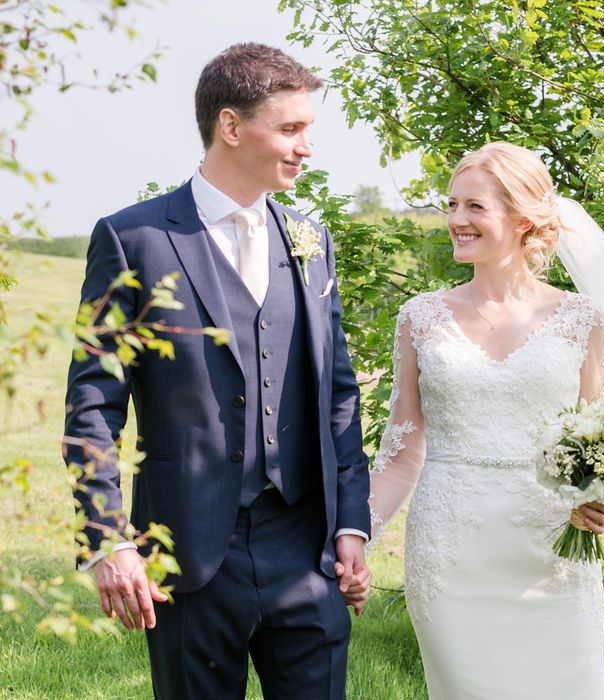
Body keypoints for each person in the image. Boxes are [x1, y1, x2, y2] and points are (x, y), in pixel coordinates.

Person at [63, 43, 371, 699]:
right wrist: (106, 539)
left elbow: (339, 396)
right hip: (185, 549)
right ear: (231, 126)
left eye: (308, 130)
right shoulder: (134, 240)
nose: (306, 149)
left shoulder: (312, 242)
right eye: (291, 129)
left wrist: (350, 526)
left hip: (305, 546)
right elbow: (93, 404)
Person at [367, 142, 604, 698]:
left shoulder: (584, 320)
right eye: (452, 205)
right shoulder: (421, 318)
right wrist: (354, 544)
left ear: (524, 218)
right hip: (452, 554)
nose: (455, 220)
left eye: (474, 207)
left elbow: (598, 446)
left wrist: (600, 496)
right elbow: (402, 452)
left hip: (553, 550)